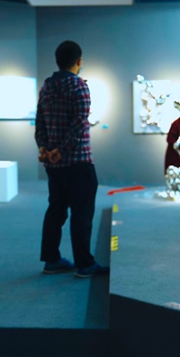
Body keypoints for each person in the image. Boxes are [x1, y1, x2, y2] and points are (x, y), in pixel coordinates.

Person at [35, 40, 109, 279]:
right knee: (81, 213)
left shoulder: (47, 86)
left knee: (55, 210)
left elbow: (40, 122)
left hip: (53, 164)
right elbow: (79, 124)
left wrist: (44, 148)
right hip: (78, 162)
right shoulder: (79, 86)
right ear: (79, 61)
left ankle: (51, 260)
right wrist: (63, 150)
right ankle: (85, 264)